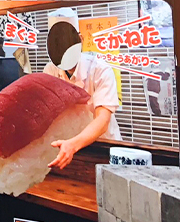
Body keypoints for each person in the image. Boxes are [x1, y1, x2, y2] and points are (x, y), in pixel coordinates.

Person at [40, 19, 121, 170]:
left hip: (103, 146)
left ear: (81, 40)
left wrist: (73, 145)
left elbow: (103, 120)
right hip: (67, 146)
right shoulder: (50, 70)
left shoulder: (100, 69)